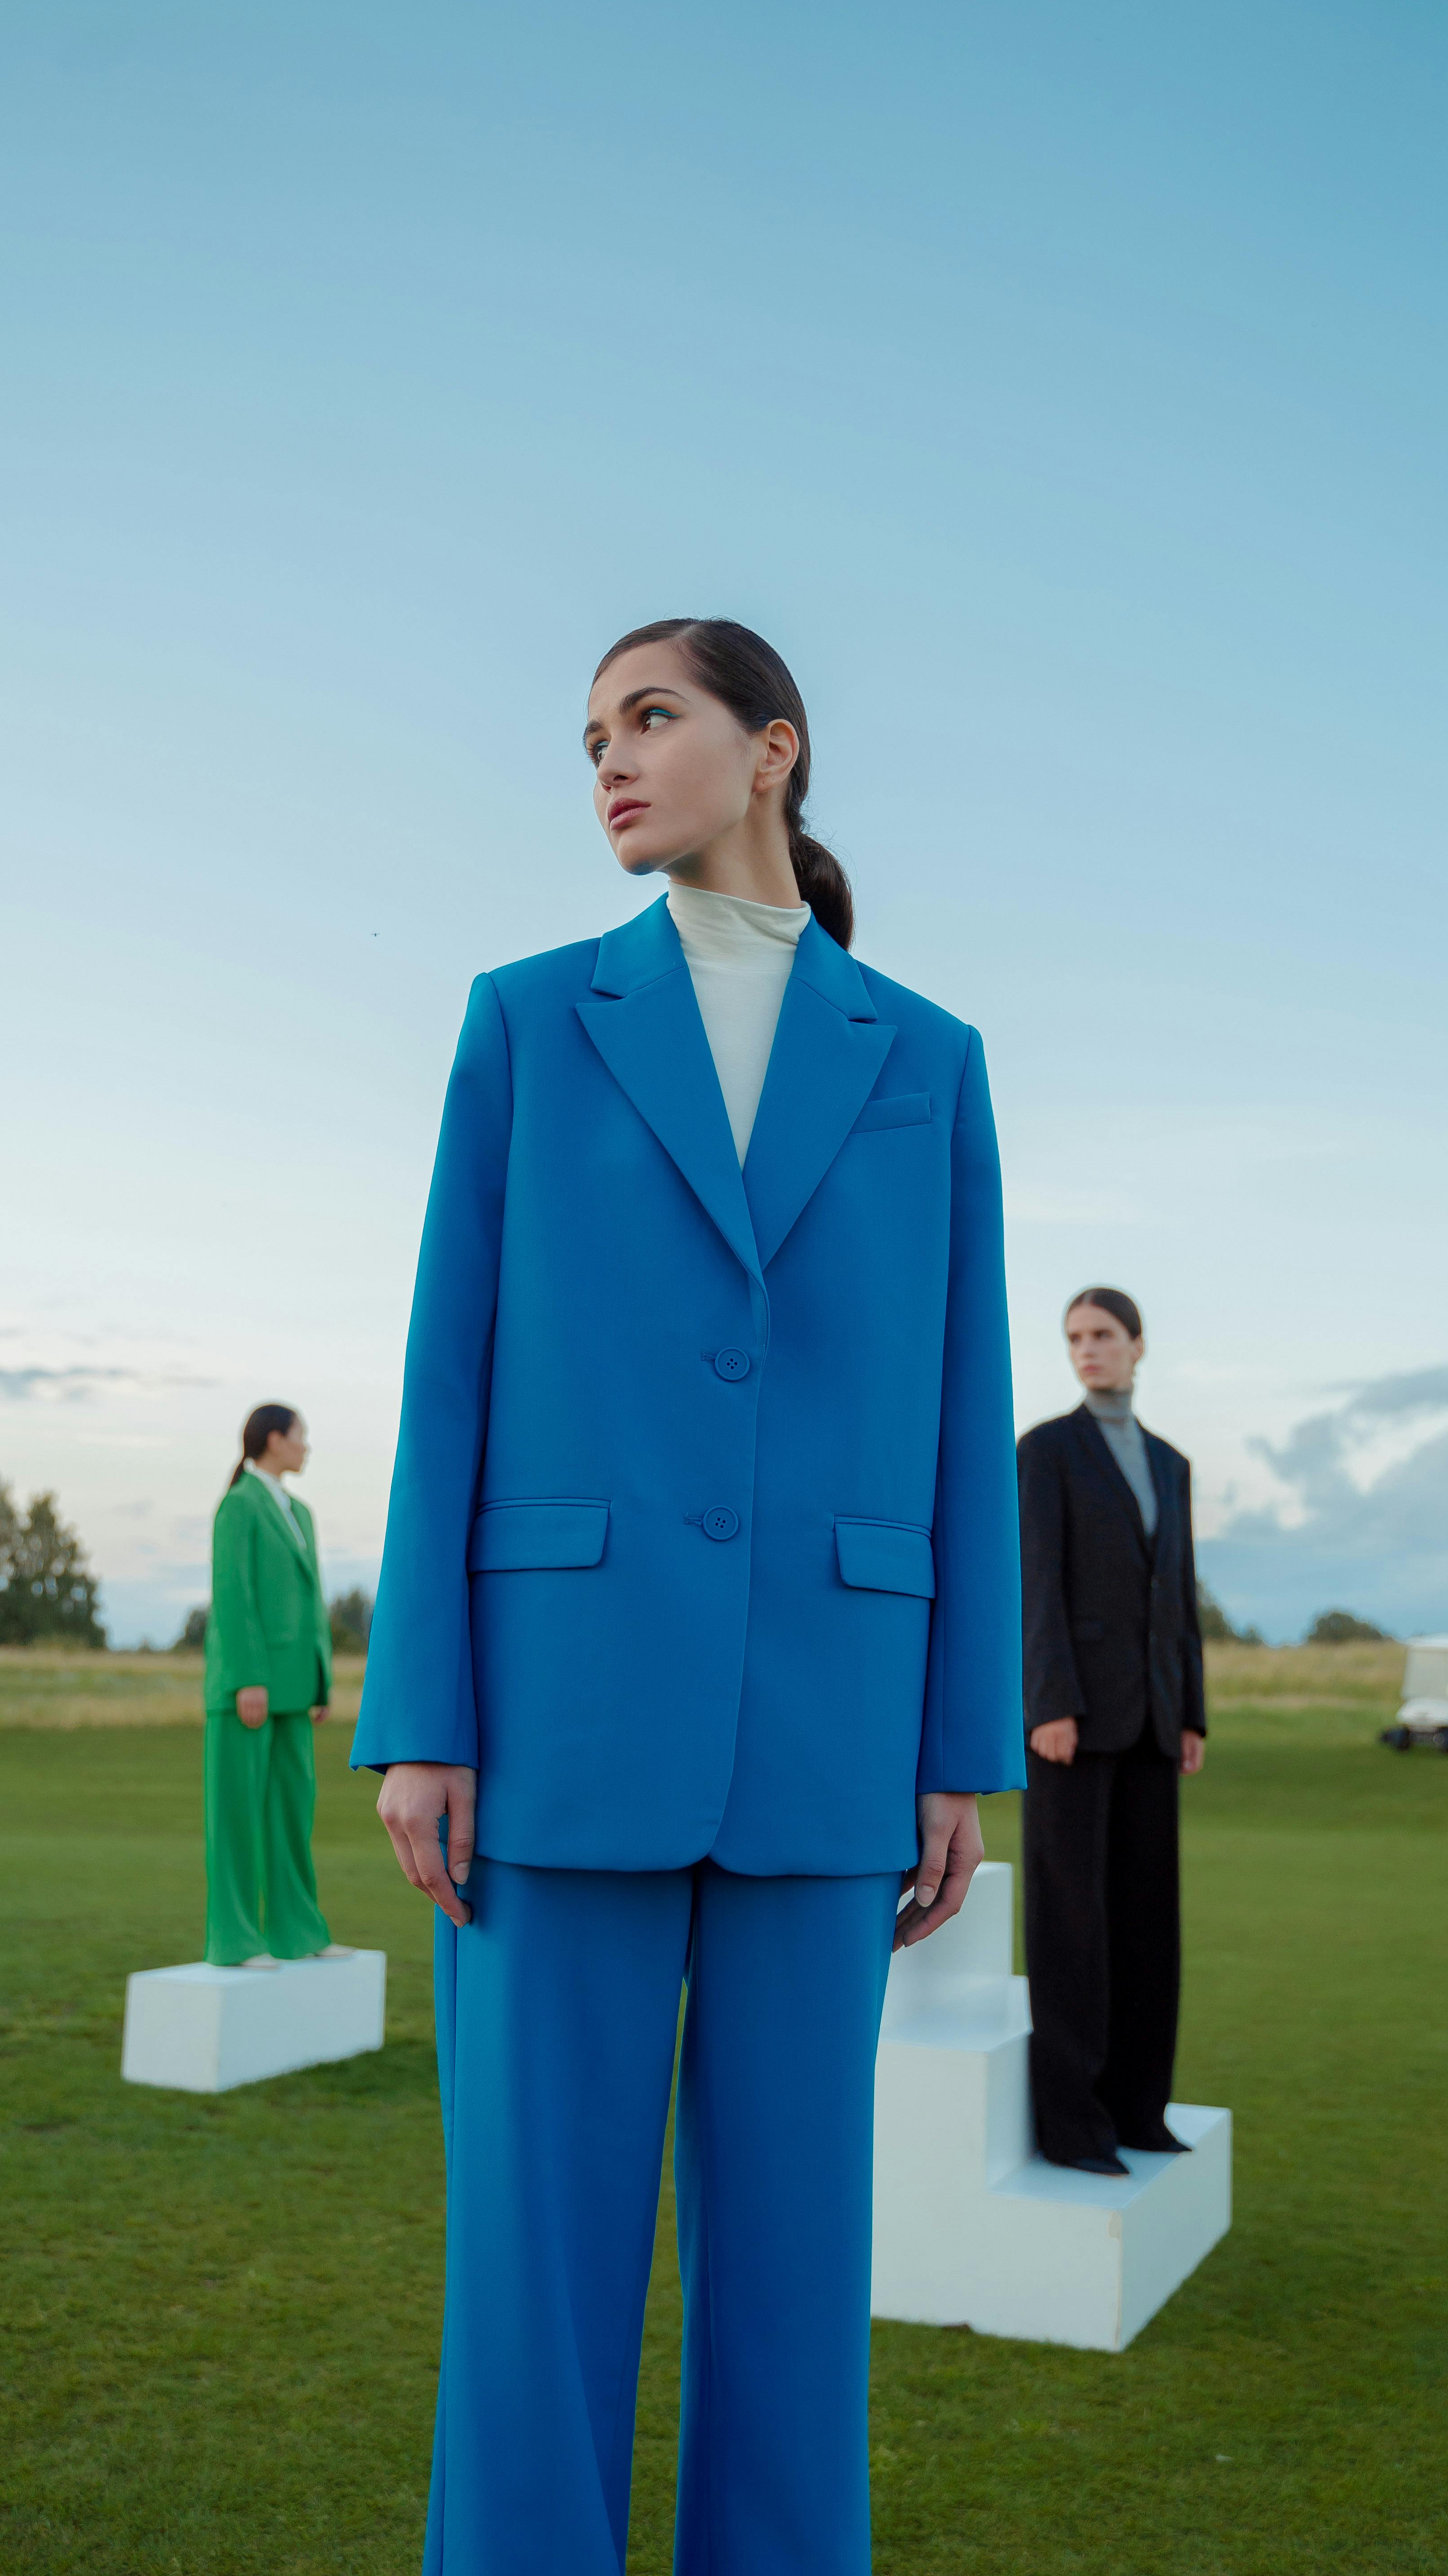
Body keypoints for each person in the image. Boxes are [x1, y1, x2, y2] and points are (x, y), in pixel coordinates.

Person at [353, 617, 1022, 2576]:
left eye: (651, 717)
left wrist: (952, 1746)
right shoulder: (527, 1020)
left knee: (803, 2284)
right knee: (533, 2286)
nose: (610, 762)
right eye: (589, 737)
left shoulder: (931, 1058)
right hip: (551, 1729)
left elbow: (956, 1401)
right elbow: (445, 1376)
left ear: (775, 749)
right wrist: (423, 1711)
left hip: (832, 1728)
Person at [1015, 1287, 1206, 2174]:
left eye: (1101, 1336)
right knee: (1068, 1928)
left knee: (1143, 1924)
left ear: (1137, 1344)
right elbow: (1035, 1585)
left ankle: (1139, 2109)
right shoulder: (1044, 1451)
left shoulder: (1170, 1463)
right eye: (1073, 1338)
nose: (1085, 1350)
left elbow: (1179, 1602)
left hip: (1152, 1724)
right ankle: (1070, 2125)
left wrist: (1191, 1712)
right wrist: (1046, 1700)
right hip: (1070, 1721)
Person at [203, 1403, 347, 1969]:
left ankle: (299, 1932)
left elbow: (311, 1605)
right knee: (236, 1816)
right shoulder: (239, 1505)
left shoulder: (300, 1513)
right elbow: (233, 1596)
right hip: (249, 1690)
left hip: (294, 1689)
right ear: (273, 1439)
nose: (307, 1447)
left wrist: (320, 1681)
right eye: (300, 1436)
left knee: (293, 1815)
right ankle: (234, 1941)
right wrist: (248, 1680)